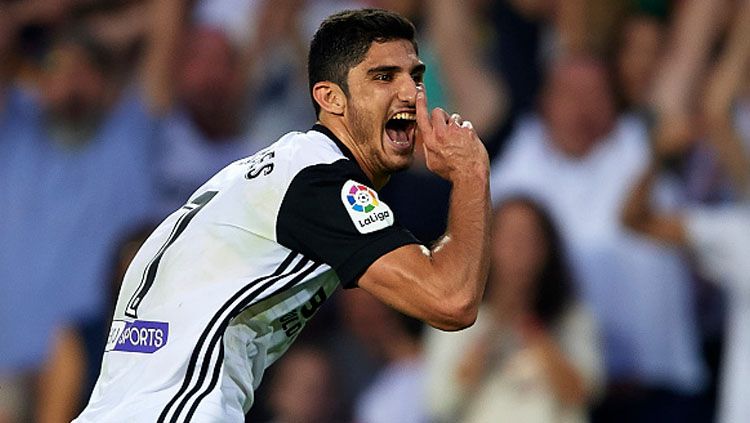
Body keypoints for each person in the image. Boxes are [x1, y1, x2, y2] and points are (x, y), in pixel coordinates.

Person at [74, 8, 490, 422]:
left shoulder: (269, 173)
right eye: (383, 77)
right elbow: (451, 299)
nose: (409, 93)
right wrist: (470, 173)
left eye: (414, 77)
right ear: (330, 98)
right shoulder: (320, 183)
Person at [424, 197, 604, 423]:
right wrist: (493, 330)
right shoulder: (452, 317)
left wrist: (533, 329)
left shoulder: (571, 317)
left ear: (547, 249)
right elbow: (440, 403)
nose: (518, 249)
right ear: (486, 244)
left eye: (529, 238)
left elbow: (583, 394)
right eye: (508, 238)